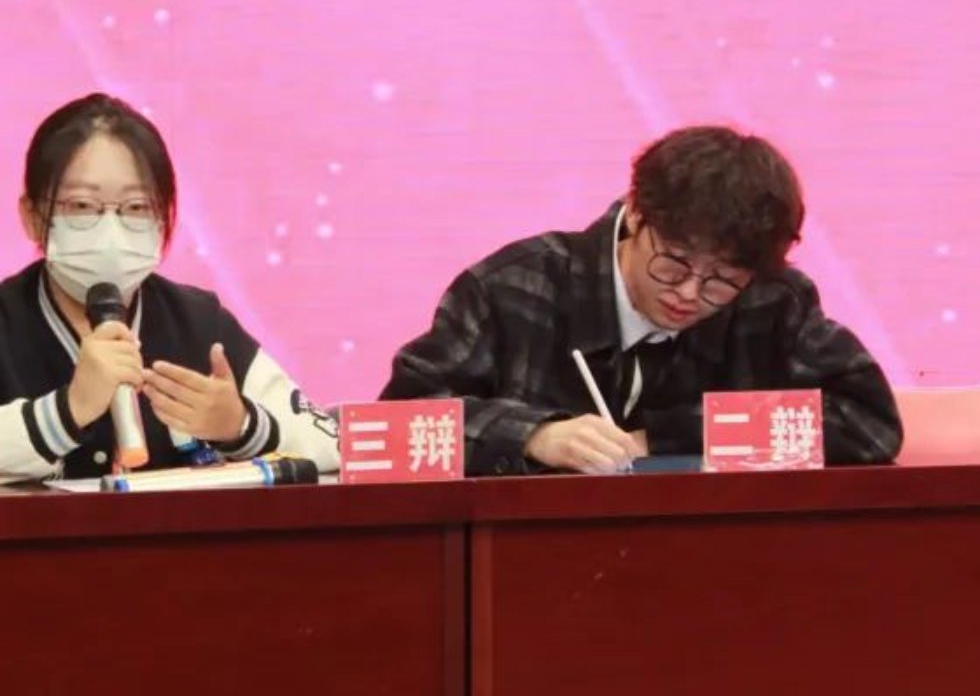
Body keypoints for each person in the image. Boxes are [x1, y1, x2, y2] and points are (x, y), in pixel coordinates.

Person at [380, 125, 902, 475]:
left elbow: (868, 425)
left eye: (721, 280)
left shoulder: (772, 303)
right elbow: (394, 425)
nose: (690, 294)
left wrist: (667, 438)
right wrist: (533, 436)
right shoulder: (514, 287)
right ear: (635, 213)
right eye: (673, 262)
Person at [0, 93, 338, 481]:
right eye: (82, 205)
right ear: (32, 216)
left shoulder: (198, 323)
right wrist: (65, 412)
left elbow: (334, 443)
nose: (111, 229)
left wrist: (240, 424)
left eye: (136, 207)